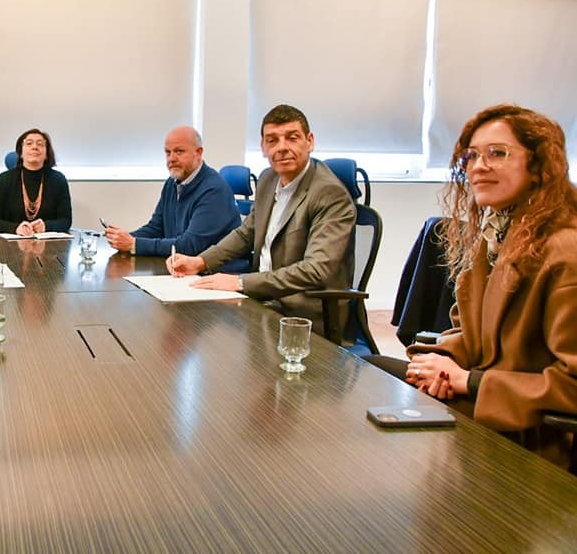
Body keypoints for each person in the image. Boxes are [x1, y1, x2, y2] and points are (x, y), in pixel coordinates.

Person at [372, 104, 577, 436]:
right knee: (366, 371)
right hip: (485, 398)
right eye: (471, 156)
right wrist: (438, 364)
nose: (479, 166)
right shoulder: (498, 233)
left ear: (538, 165)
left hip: (528, 430)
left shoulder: (566, 250)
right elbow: (471, 330)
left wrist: (469, 381)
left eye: (497, 153)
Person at [168, 105, 355, 333]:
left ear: (310, 141)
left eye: (292, 138)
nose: (282, 147)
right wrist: (200, 262)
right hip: (262, 300)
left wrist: (240, 282)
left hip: (303, 315)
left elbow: (315, 270)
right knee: (188, 321)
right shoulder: (268, 179)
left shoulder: (329, 194)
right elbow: (245, 234)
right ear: (263, 147)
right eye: (272, 140)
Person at [104, 126, 242, 262]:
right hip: (179, 265)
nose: (171, 159)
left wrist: (134, 244)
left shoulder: (214, 191)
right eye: (168, 153)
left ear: (198, 153)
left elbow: (190, 246)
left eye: (179, 151)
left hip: (215, 271)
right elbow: (156, 228)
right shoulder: (172, 183)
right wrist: (123, 238)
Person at [0, 128, 72, 235]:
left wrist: (46, 226)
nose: (35, 147)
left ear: (46, 154)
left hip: (48, 242)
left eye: (40, 144)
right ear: (21, 153)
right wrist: (16, 228)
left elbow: (66, 220)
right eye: (29, 143)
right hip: (11, 243)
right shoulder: (4, 179)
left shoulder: (58, 180)